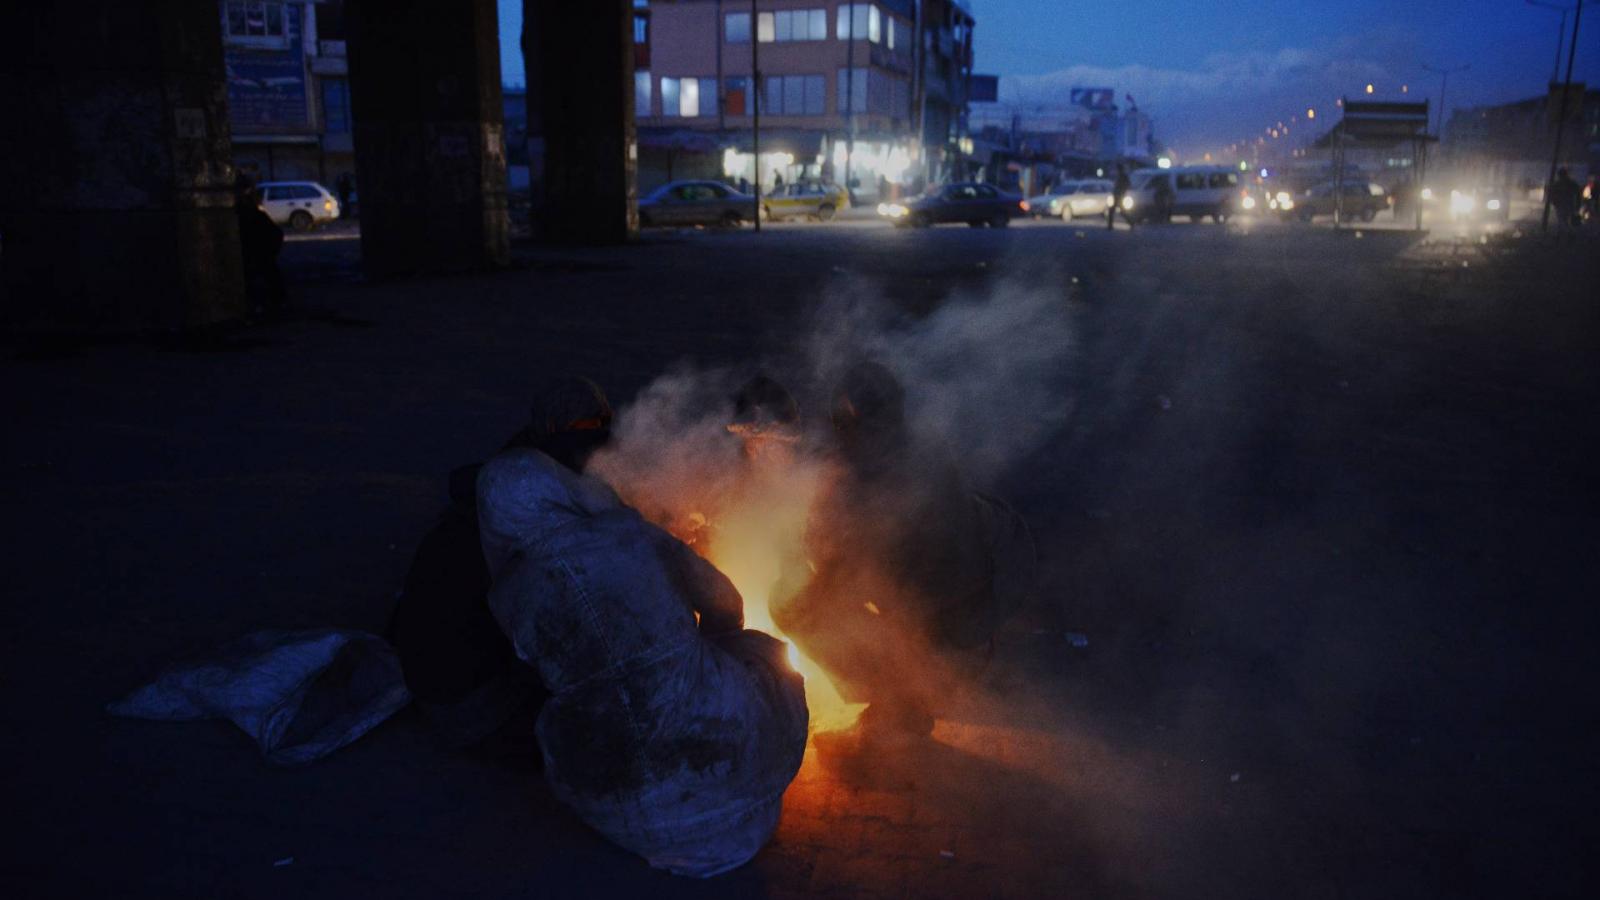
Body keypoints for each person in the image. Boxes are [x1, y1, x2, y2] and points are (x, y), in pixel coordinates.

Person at [478, 412, 808, 877]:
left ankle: (663, 824)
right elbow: (723, 600)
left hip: (616, 804)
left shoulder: (509, 597)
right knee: (770, 655)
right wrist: (717, 653)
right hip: (727, 760)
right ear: (561, 489)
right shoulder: (628, 535)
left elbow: (542, 680)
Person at [773, 362, 1034, 738]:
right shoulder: (922, 449)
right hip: (988, 590)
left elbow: (834, 579)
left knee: (791, 607)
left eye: (845, 422)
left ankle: (901, 706)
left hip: (951, 635)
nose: (839, 433)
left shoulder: (865, 493)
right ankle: (918, 688)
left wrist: (799, 563)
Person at [388, 377, 614, 752]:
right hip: (474, 710)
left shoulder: (501, 482)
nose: (596, 445)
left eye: (599, 428)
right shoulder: (531, 520)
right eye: (585, 434)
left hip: (433, 684)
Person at [234, 178, 285, 315]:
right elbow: (276, 234)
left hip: (256, 254)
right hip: (259, 254)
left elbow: (275, 234)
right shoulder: (253, 215)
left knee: (262, 278)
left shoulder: (248, 215)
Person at [1549, 168, 1581, 241]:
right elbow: (1578, 192)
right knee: (1564, 220)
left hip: (1560, 204)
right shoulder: (1571, 183)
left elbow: (1552, 194)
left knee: (1562, 220)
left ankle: (1569, 233)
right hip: (1570, 204)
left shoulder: (1557, 184)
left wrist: (1554, 202)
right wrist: (1578, 205)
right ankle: (1559, 234)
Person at [1108, 163, 1134, 230]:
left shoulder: (1123, 176)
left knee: (1117, 211)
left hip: (1119, 195)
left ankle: (1131, 222)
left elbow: (1127, 185)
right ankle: (1131, 222)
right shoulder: (1120, 176)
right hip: (1118, 195)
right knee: (1118, 211)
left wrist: (1122, 191)